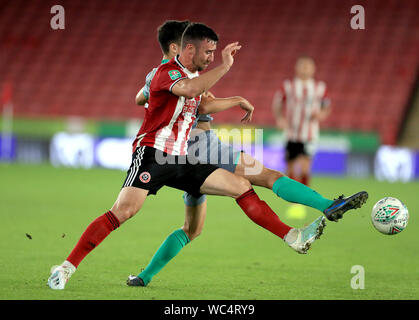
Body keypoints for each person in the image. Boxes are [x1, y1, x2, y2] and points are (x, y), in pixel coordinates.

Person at [47, 22, 332, 290]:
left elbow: (195, 99)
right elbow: (189, 90)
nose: (211, 57)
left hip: (183, 158)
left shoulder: (193, 78)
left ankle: (292, 236)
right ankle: (66, 268)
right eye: (208, 52)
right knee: (123, 212)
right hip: (153, 154)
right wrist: (226, 66)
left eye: (213, 53)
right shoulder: (166, 72)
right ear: (189, 49)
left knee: (241, 186)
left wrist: (232, 99)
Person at [126, 21, 368, 287]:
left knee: (192, 229)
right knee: (266, 175)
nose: (201, 53)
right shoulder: (186, 75)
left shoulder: (157, 74)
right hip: (202, 145)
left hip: (181, 153)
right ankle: (326, 206)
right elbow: (203, 103)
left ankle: (143, 277)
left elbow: (140, 97)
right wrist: (237, 99)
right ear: (179, 47)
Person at [272, 55, 331, 187]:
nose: (305, 69)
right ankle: (292, 196)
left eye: (308, 66)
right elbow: (277, 103)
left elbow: (326, 106)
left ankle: (304, 195)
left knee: (305, 167)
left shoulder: (320, 87)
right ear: (296, 68)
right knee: (291, 168)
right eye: (302, 66)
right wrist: (280, 118)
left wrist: (322, 114)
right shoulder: (288, 85)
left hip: (310, 134)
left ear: (313, 69)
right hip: (291, 133)